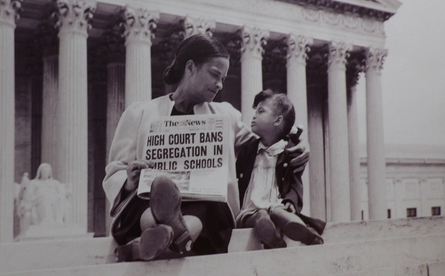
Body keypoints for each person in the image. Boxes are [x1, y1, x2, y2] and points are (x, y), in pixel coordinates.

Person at [103, 36, 310, 262]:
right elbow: (115, 170)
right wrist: (130, 180)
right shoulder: (140, 113)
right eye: (214, 74)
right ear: (190, 67)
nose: (220, 84)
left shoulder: (225, 116)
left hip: (206, 208)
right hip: (147, 200)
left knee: (207, 203)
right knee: (154, 199)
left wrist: (296, 141)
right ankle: (170, 233)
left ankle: (151, 241)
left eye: (223, 77)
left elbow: (263, 142)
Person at [235, 90, 324, 249]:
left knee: (278, 212)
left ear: (277, 121)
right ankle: (271, 236)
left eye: (261, 111)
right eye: (255, 111)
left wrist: (291, 201)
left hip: (277, 203)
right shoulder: (247, 150)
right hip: (250, 207)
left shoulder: (289, 151)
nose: (254, 115)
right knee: (258, 216)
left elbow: (295, 182)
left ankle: (304, 232)